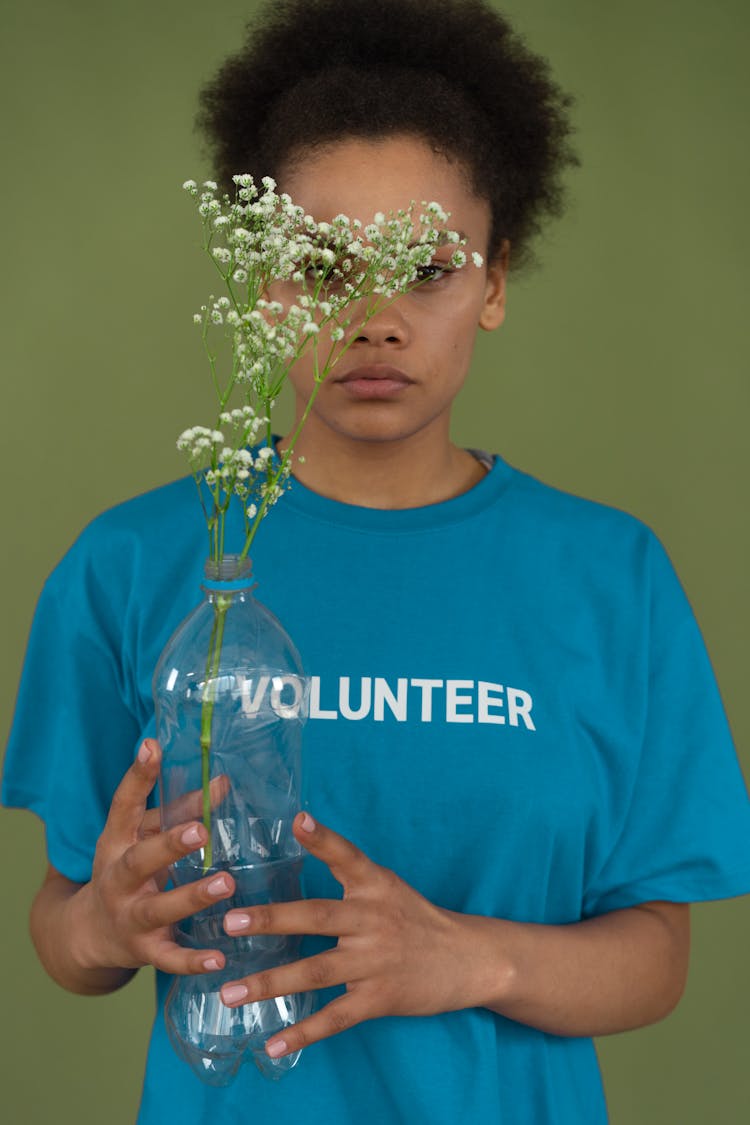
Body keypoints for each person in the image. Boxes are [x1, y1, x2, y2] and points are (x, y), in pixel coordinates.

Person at [3, 1, 750, 1122]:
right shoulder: (137, 562)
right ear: (264, 287)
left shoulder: (610, 577)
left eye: (428, 270)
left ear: (494, 285)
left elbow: (657, 957)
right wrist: (102, 925)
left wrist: (465, 959)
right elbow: (65, 930)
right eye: (323, 267)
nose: (374, 320)